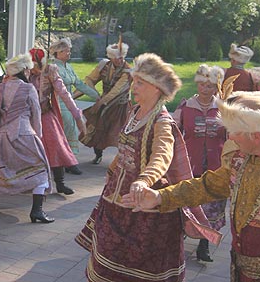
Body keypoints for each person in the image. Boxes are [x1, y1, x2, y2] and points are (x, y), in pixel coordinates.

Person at [75, 53, 218, 282]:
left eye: (140, 82)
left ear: (157, 88)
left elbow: (162, 156)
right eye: (134, 81)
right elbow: (124, 149)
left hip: (145, 204)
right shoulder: (134, 112)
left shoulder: (162, 121)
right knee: (106, 260)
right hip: (116, 198)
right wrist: (112, 171)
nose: (134, 86)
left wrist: (144, 180)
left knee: (141, 268)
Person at [124, 90, 260, 282]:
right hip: (242, 270)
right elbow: (207, 185)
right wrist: (161, 197)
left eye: (235, 132)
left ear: (256, 136)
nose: (230, 137)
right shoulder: (241, 158)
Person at [0, 53, 54, 223]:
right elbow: (36, 113)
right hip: (23, 134)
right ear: (25, 70)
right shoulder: (28, 88)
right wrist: (38, 136)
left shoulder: (2, 87)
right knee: (40, 169)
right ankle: (37, 210)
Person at [172, 64, 227, 262]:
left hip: (216, 168)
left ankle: (204, 246)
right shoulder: (185, 106)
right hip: (189, 166)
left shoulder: (223, 108)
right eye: (202, 85)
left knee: (210, 208)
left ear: (216, 87)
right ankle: (179, 240)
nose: (205, 89)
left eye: (210, 85)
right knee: (187, 205)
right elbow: (173, 133)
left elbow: (233, 137)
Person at [29, 47, 85, 195]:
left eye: (34, 66)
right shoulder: (24, 71)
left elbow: (64, 94)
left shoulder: (50, 71)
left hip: (45, 115)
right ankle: (25, 182)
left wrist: (78, 117)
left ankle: (60, 183)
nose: (32, 69)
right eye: (30, 66)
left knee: (56, 145)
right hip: (27, 117)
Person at [77, 39, 132, 165]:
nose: (121, 60)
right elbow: (89, 79)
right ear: (111, 58)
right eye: (118, 58)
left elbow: (117, 91)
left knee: (121, 134)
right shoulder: (104, 65)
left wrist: (100, 102)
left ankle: (122, 161)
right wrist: (94, 93)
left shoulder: (128, 71)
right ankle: (98, 155)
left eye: (122, 57)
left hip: (121, 106)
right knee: (97, 130)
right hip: (104, 103)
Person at [50, 38, 99, 174]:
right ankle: (65, 162)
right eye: (65, 51)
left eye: (69, 50)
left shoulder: (68, 67)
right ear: (57, 53)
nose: (68, 53)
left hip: (69, 104)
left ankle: (67, 162)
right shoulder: (54, 68)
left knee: (70, 131)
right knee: (66, 131)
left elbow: (79, 84)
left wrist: (97, 96)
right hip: (58, 104)